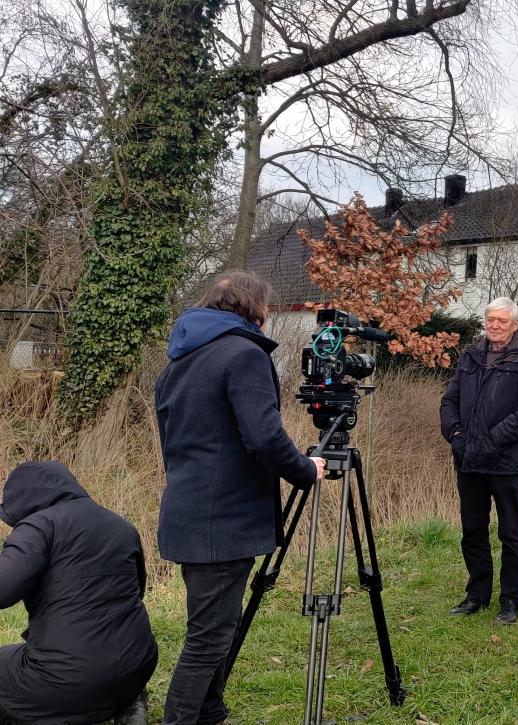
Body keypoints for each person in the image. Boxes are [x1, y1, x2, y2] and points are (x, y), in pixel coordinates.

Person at [154, 271, 325, 725]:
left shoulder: (179, 360)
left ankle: (211, 713)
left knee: (216, 628)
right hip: (221, 521)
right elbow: (265, 437)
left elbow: (172, 440)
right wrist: (307, 470)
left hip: (190, 510)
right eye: (266, 308)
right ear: (255, 310)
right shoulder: (243, 355)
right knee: (207, 639)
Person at [0, 461, 157, 725]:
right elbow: (137, 591)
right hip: (137, 663)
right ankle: (129, 704)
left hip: (68, 677)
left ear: (24, 499)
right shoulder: (121, 525)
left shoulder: (39, 525)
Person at [440, 296, 518, 624]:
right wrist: (456, 435)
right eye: (490, 320)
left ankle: (511, 600)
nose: (494, 325)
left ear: (515, 324)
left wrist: (492, 439)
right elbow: (450, 400)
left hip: (507, 462)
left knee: (511, 532)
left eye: (501, 320)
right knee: (472, 530)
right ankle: (477, 595)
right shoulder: (471, 357)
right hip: (469, 460)